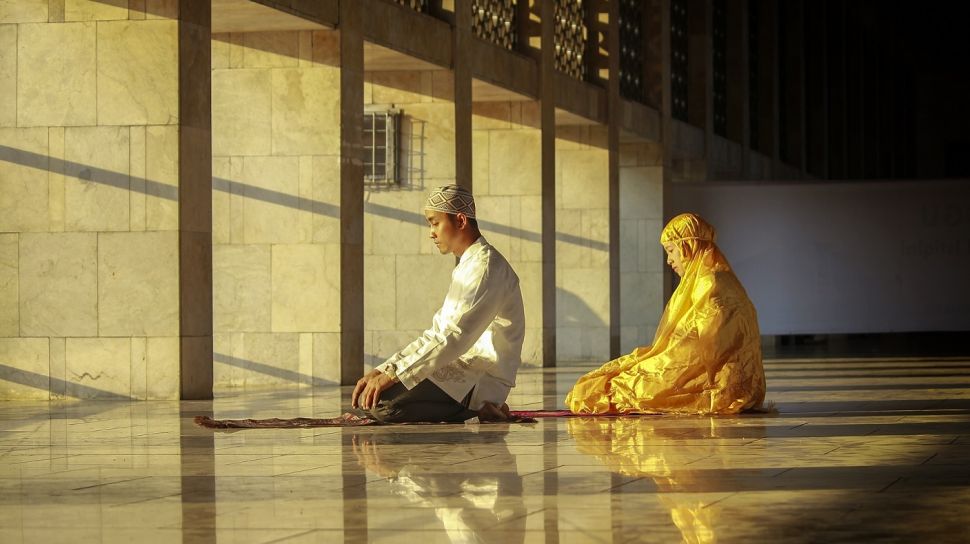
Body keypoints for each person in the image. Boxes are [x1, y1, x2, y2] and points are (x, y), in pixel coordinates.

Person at [352, 185, 526, 423]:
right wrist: (385, 368)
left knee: (383, 406)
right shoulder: (468, 265)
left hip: (480, 378)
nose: (431, 233)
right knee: (372, 396)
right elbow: (436, 333)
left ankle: (480, 407)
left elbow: (454, 337)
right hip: (459, 367)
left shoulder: (485, 268)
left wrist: (394, 375)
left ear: (461, 221)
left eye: (435, 223)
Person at [565, 212, 766, 415]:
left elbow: (701, 349)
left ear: (688, 247)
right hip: (707, 370)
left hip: (706, 376)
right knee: (608, 381)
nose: (669, 260)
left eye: (671, 251)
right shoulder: (710, 278)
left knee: (602, 390)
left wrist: (657, 360)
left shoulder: (710, 283)